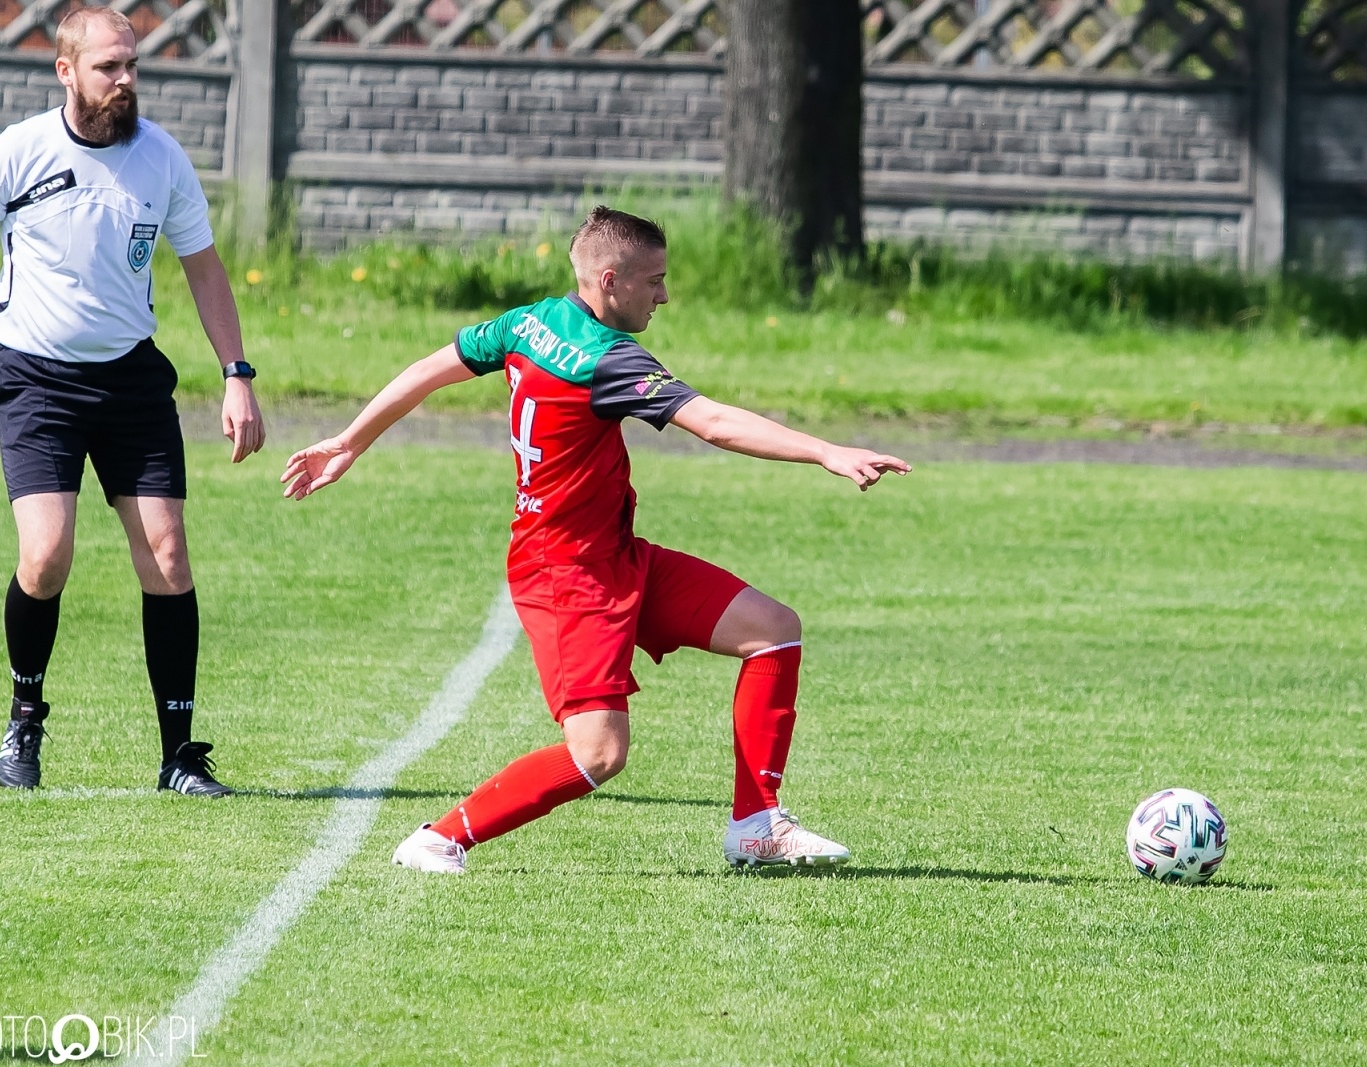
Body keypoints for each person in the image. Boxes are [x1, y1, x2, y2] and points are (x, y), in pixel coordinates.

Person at [282, 206, 910, 873]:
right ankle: (439, 838)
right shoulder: (606, 359)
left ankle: (756, 825)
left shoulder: (529, 322)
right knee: (598, 754)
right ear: (610, 280)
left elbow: (430, 367)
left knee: (774, 628)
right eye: (655, 281)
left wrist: (350, 440)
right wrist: (824, 452)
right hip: (567, 576)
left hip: (614, 556)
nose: (664, 295)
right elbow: (715, 423)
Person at [0, 8, 266, 796]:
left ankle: (179, 757)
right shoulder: (16, 153)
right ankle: (25, 716)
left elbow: (204, 266)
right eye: (108, 68)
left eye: (132, 65)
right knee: (45, 555)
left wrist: (236, 371)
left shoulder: (160, 159)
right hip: (36, 378)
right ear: (66, 71)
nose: (125, 80)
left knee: (166, 551)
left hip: (130, 379)